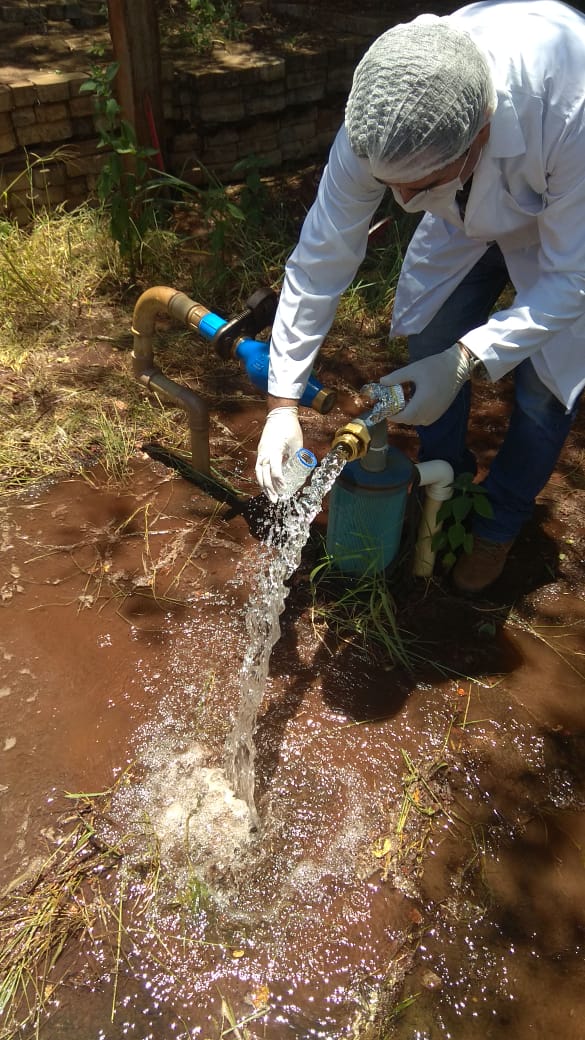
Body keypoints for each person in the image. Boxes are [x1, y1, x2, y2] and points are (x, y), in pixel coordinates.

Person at [254, 0, 585, 595]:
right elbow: (321, 256)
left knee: (543, 390)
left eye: (419, 186)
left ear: (481, 131)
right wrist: (281, 404)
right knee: (430, 337)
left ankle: (498, 525)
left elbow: (573, 279)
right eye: (391, 187)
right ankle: (445, 489)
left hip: (565, 230)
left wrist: (467, 361)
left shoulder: (571, 106)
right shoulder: (387, 108)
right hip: (464, 214)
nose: (402, 200)